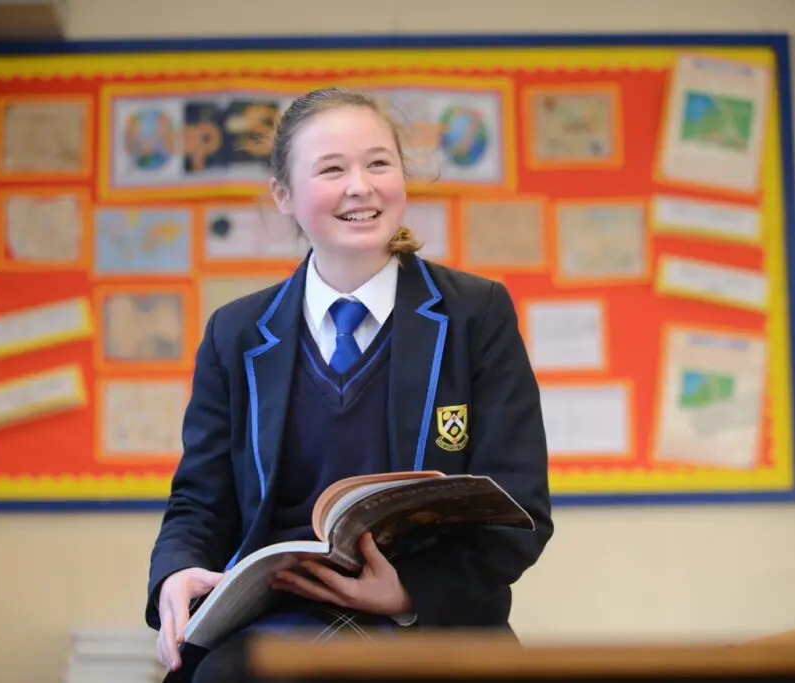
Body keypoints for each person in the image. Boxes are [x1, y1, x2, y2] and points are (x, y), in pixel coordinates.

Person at [146, 87, 554, 683]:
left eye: (378, 163)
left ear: (403, 179)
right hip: (273, 625)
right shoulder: (234, 333)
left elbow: (521, 508)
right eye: (331, 169)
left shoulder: (477, 314)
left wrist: (408, 592)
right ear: (284, 195)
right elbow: (200, 503)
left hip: (429, 624)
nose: (360, 186)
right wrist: (177, 571)